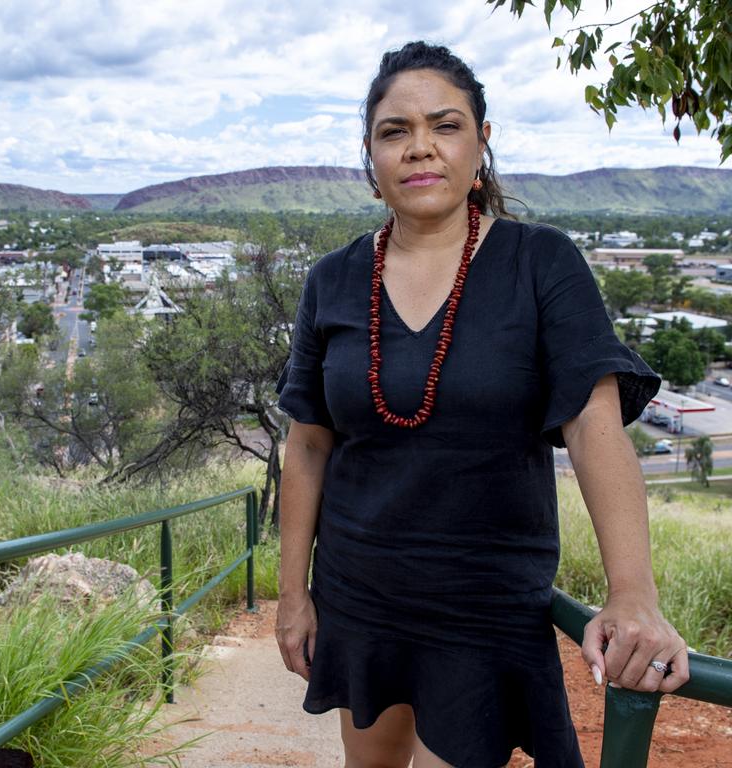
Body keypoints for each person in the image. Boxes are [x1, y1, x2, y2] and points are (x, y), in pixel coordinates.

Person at [274, 41, 689, 768]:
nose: (420, 147)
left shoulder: (541, 263)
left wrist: (633, 595)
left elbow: (595, 428)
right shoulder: (332, 281)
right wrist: (292, 596)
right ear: (370, 155)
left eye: (446, 125)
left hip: (483, 600)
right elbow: (309, 444)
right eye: (394, 132)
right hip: (359, 589)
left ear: (481, 143)